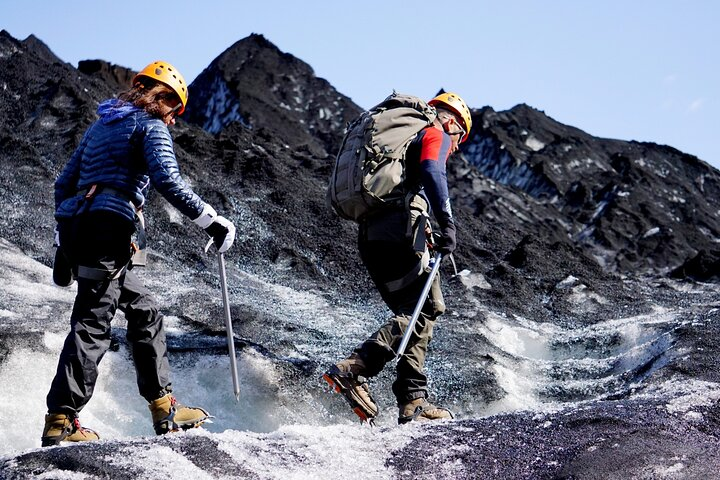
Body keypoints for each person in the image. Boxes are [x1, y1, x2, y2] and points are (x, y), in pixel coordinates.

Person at [42, 61, 236, 446]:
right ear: (161, 98)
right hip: (110, 230)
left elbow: (63, 184)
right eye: (174, 110)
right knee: (93, 322)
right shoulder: (150, 126)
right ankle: (62, 419)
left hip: (84, 229)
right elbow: (167, 180)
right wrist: (212, 221)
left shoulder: (102, 126)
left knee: (145, 311)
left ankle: (164, 408)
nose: (175, 121)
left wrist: (65, 241)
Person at [323, 92, 472, 424]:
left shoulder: (393, 129)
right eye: (460, 136)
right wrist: (447, 222)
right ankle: (358, 367)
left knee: (414, 309)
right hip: (398, 228)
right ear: (452, 121)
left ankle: (412, 400)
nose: (457, 146)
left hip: (370, 234)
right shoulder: (434, 130)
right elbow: (433, 169)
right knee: (427, 307)